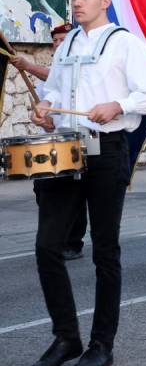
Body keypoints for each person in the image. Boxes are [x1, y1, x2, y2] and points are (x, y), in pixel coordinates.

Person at [28, 0, 146, 366]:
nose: (76, 2)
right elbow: (53, 91)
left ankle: (101, 342)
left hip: (106, 150)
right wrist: (46, 110)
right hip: (65, 150)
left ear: (105, 1)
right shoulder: (68, 42)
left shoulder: (125, 43)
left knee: (105, 250)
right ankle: (66, 337)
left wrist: (118, 106)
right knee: (47, 246)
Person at [13, 23, 86, 260]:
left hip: (74, 139)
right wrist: (41, 119)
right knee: (42, 188)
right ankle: (56, 235)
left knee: (73, 189)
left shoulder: (75, 67)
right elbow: (44, 100)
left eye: (62, 40)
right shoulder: (53, 71)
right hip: (50, 139)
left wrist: (28, 65)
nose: (57, 44)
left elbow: (51, 76)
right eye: (54, 41)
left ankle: (73, 242)